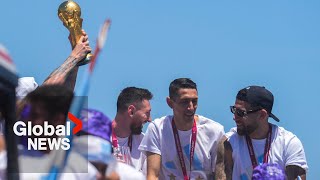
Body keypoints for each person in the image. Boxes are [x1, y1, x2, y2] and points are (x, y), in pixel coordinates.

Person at [215, 86, 308, 180]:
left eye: (240, 113)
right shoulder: (228, 142)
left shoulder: (289, 143)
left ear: (262, 115)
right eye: (234, 110)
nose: (234, 117)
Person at [139, 78, 225, 180]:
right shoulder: (158, 128)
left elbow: (221, 175)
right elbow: (153, 175)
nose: (191, 107)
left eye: (194, 101)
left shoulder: (215, 131)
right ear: (170, 103)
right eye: (185, 102)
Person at [112, 87, 153, 171]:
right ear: (131, 111)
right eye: (147, 113)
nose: (150, 119)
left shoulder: (144, 143)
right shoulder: (97, 138)